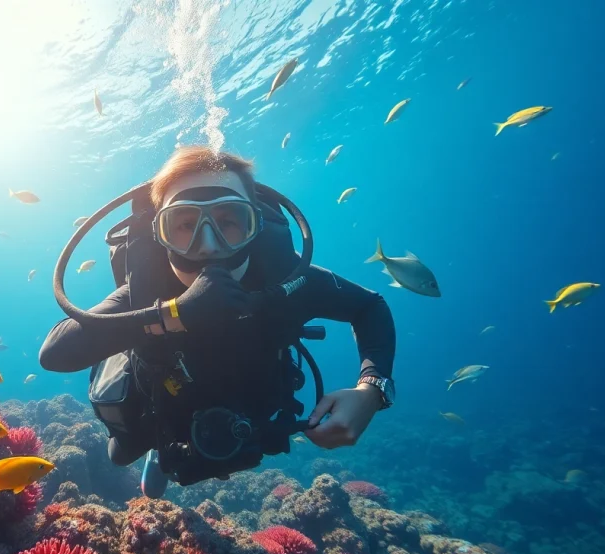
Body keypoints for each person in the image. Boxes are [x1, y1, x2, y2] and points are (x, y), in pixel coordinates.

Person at [40, 146, 396, 498]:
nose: (208, 246)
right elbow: (55, 352)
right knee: (121, 454)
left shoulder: (286, 279)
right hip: (163, 404)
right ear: (158, 234)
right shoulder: (145, 290)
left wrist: (372, 390)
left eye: (228, 220)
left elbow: (370, 307)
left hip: (255, 404)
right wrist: (175, 312)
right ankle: (153, 449)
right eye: (183, 225)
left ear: (254, 224)